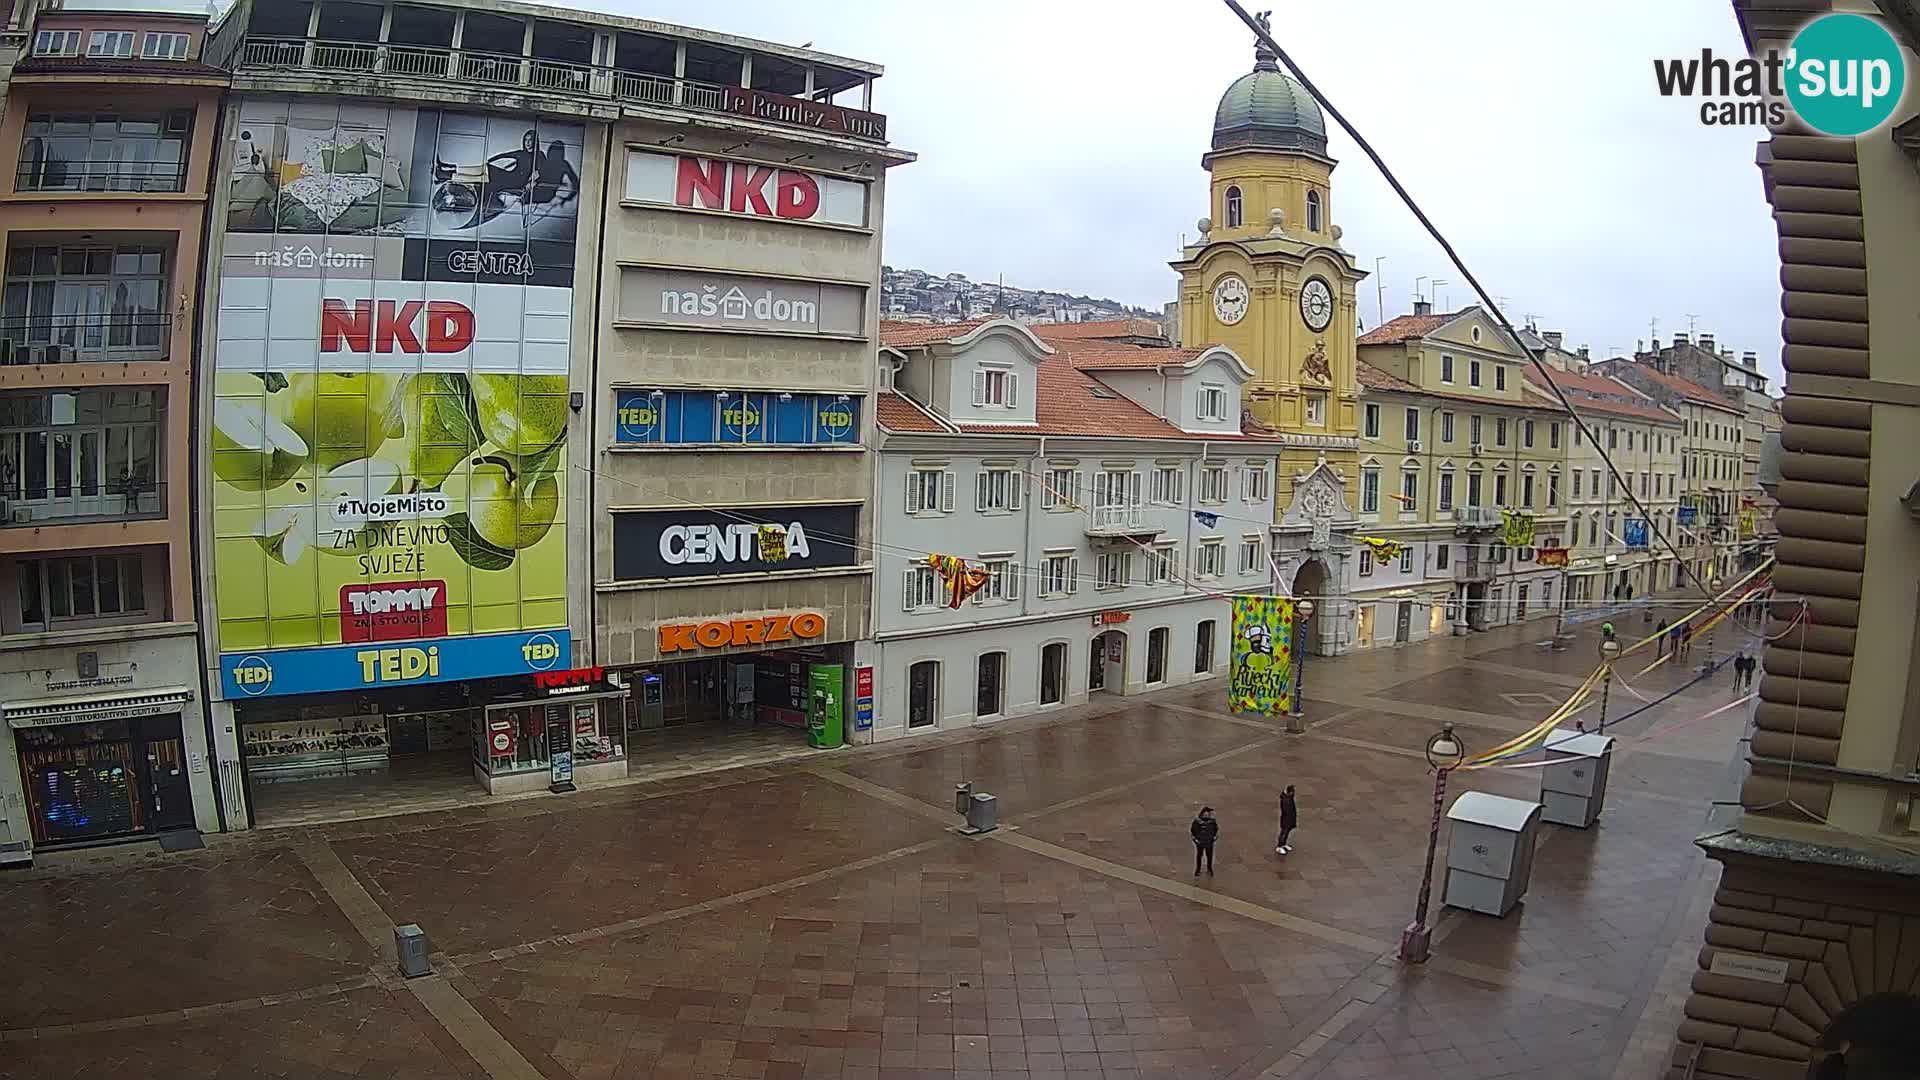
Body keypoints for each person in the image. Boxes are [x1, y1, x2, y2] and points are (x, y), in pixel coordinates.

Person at [1191, 806, 1218, 876]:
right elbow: (1193, 831)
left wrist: (1214, 838)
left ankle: (1209, 869)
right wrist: (1196, 840)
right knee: (1199, 856)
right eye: (1205, 815)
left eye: (1207, 815)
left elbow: (1215, 830)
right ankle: (1198, 869)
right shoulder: (1197, 822)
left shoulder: (1212, 821)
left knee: (1209, 856)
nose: (1206, 816)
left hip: (1209, 842)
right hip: (1200, 842)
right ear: (1202, 814)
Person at [1275, 786, 1298, 855]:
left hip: (1289, 819)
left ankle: (1284, 844)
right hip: (1286, 819)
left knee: (1286, 832)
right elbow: (1287, 811)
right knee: (1284, 832)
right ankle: (1279, 846)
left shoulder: (1289, 798)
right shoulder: (1286, 800)